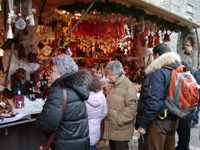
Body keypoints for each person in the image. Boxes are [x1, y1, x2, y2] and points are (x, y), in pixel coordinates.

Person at [36, 54, 91, 150]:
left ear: (61, 74)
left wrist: (39, 120)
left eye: (52, 71)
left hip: (63, 145)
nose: (50, 73)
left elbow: (47, 124)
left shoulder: (58, 91)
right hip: (80, 144)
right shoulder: (77, 88)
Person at [137, 43, 181, 150]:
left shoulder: (159, 72)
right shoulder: (178, 69)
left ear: (156, 56)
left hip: (159, 121)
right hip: (174, 119)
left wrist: (143, 124)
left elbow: (155, 101)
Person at [103, 60, 138, 150]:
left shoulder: (128, 86)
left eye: (109, 74)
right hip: (113, 129)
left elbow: (132, 109)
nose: (108, 77)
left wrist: (118, 120)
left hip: (121, 130)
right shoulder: (113, 85)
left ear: (116, 74)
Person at [176, 34, 196, 150]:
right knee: (183, 133)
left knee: (184, 134)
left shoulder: (189, 76)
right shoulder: (187, 75)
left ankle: (183, 147)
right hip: (184, 107)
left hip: (186, 108)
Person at [86, 72, 108, 150]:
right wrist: (97, 118)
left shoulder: (83, 97)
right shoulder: (101, 95)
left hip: (83, 132)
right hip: (95, 132)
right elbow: (105, 112)